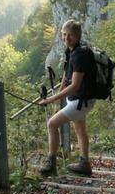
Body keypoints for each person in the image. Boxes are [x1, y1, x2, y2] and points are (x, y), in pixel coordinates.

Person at [38, 19, 95, 177]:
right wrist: (59, 92)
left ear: (77, 36)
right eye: (64, 34)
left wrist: (50, 99)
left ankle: (51, 164)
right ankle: (85, 163)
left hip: (80, 101)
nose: (66, 38)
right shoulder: (71, 51)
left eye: (70, 35)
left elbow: (75, 85)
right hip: (81, 99)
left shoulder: (80, 55)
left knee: (51, 124)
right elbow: (66, 74)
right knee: (79, 128)